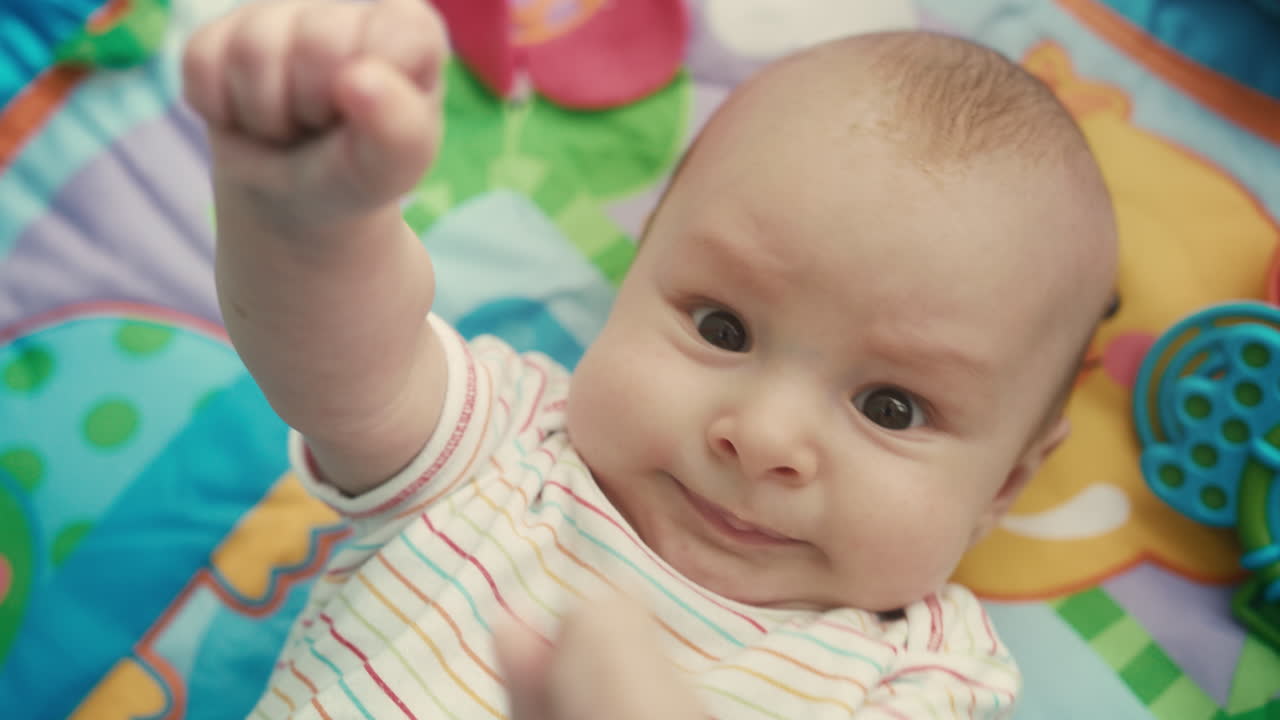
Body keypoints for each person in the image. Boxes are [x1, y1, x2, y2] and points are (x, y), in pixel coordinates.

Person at [182, 0, 1118, 716]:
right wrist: (304, 229)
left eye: (890, 407)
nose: (760, 437)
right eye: (722, 329)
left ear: (1005, 485)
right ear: (637, 276)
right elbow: (348, 373)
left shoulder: (920, 671)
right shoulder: (512, 446)